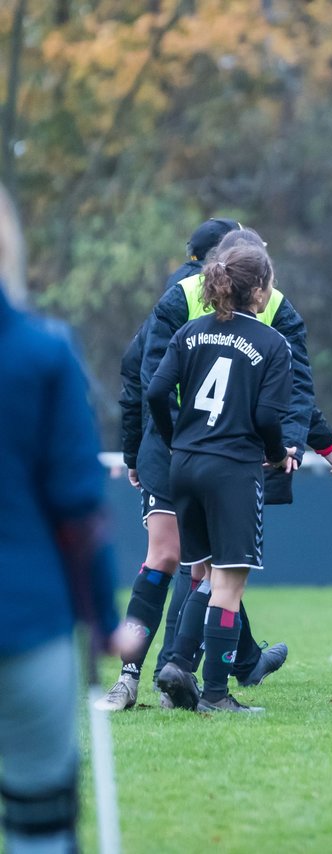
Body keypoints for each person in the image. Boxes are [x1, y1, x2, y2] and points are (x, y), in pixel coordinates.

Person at [98, 222, 332, 711]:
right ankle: (134, 678)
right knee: (175, 558)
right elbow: (149, 376)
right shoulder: (180, 299)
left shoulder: (277, 309)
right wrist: (148, 448)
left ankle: (176, 672)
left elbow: (297, 388)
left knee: (198, 565)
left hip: (192, 446)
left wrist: (303, 441)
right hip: (199, 446)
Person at [0, 182, 131, 851]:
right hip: (24, 626)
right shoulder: (43, 353)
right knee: (40, 829)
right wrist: (108, 624)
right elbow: (78, 512)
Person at [148, 242, 295, 713]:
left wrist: (177, 439)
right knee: (230, 584)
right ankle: (215, 695)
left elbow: (155, 391)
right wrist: (276, 454)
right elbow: (270, 418)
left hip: (185, 465)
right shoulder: (273, 344)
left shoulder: (190, 332)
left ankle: (175, 665)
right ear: (261, 289)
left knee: (204, 574)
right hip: (231, 468)